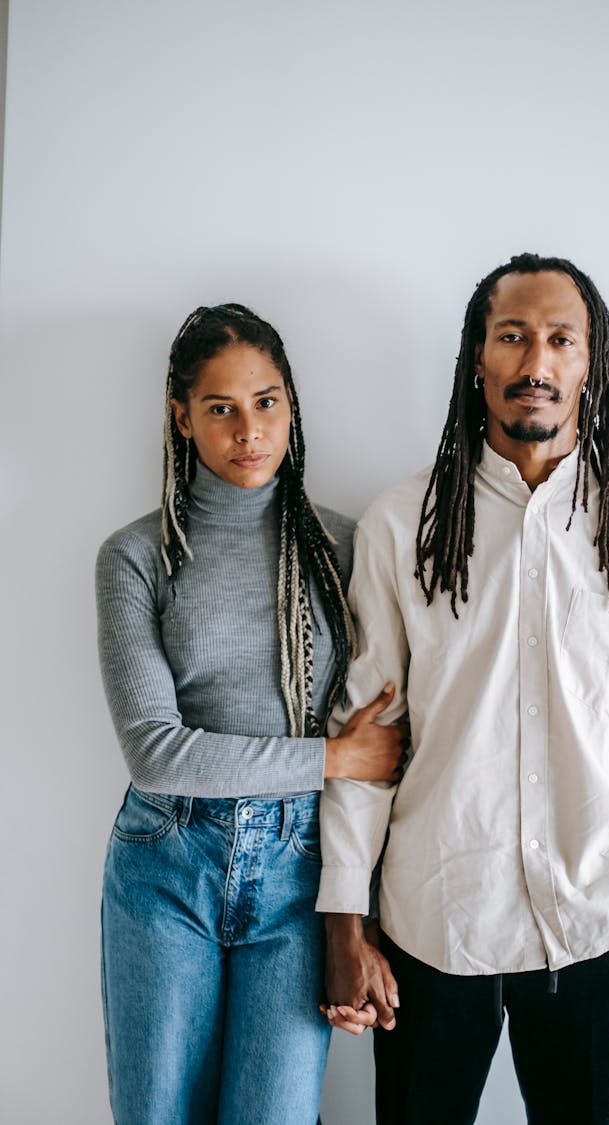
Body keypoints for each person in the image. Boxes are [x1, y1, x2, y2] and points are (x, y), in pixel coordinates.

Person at [317, 254, 609, 1125]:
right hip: (434, 915)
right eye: (513, 336)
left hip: (600, 917)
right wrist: (344, 913)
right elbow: (367, 730)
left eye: (559, 339)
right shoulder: (402, 525)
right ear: (479, 360)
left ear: (589, 364)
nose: (536, 360)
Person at [96, 303, 406, 1125]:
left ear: (292, 405)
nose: (247, 430)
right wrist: (333, 758)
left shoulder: (343, 550)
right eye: (220, 408)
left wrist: (355, 913)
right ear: (181, 417)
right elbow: (156, 752)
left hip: (298, 870)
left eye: (266, 402)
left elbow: (380, 720)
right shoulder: (135, 557)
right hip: (167, 861)